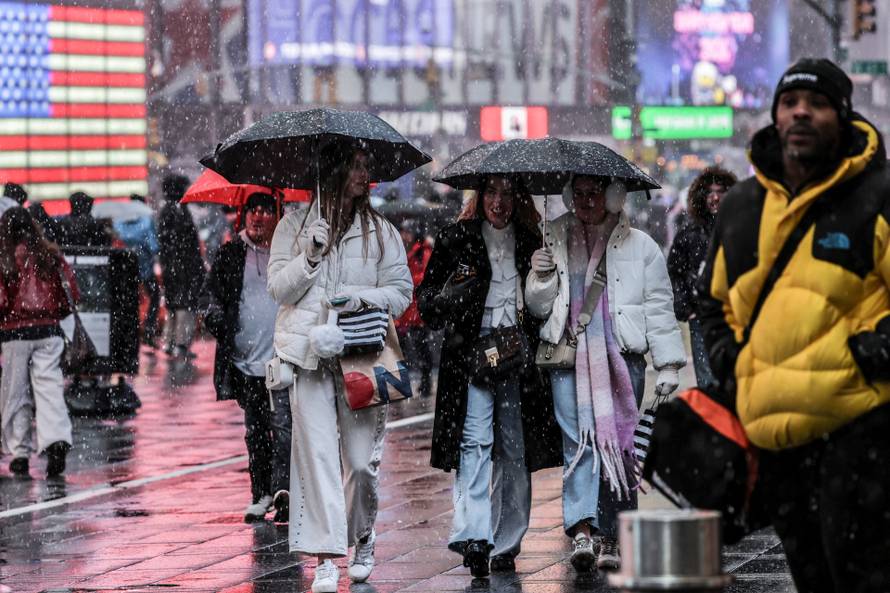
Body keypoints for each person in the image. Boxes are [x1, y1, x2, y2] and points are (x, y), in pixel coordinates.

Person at [698, 58, 890, 593]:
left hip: (859, 436)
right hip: (777, 446)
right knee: (812, 580)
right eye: (790, 102)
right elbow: (712, 303)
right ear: (776, 116)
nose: (801, 112)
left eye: (818, 102)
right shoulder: (740, 207)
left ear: (844, 114)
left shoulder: (878, 196)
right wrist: (733, 364)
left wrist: (869, 356)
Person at [267, 148, 412, 593]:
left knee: (360, 463)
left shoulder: (381, 232)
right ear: (332, 171)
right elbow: (279, 289)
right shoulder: (294, 225)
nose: (364, 175)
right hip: (307, 358)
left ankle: (362, 533)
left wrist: (357, 300)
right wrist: (310, 255)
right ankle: (328, 556)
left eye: (366, 166)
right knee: (318, 460)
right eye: (355, 165)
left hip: (363, 355)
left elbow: (401, 292)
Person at [526, 175, 686, 571]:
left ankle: (613, 535)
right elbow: (538, 307)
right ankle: (582, 531)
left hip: (623, 358)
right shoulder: (553, 235)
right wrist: (541, 275)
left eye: (593, 193)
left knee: (620, 443)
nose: (585, 201)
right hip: (568, 358)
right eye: (577, 193)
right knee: (577, 444)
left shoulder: (641, 245)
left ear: (613, 196)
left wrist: (667, 364)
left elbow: (659, 308)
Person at [416, 175, 562, 578]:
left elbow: (542, 310)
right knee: (474, 442)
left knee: (515, 449)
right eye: (491, 192)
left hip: (517, 357)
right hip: (470, 357)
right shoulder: (455, 239)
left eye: (507, 193)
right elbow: (427, 304)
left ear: (518, 199)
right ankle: (475, 536)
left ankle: (507, 542)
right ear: (479, 197)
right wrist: (452, 296)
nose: (499, 201)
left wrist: (542, 276)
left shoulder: (534, 241)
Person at [203, 192, 291, 523]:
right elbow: (211, 296)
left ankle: (284, 493)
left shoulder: (286, 252)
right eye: (252, 211)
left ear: (276, 217)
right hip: (245, 360)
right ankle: (261, 492)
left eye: (265, 212)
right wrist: (216, 320)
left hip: (281, 358)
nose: (257, 218)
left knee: (284, 430)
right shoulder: (230, 253)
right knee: (255, 430)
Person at [0, 207, 79, 477]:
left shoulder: (5, 256)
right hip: (49, 331)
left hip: (15, 333)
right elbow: (72, 292)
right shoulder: (49, 254)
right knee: (49, 389)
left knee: (15, 393)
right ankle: (56, 440)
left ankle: (19, 452)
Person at [667, 166, 736, 389]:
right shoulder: (689, 233)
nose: (715, 197)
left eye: (721, 191)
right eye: (709, 192)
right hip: (702, 315)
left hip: (735, 313)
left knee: (736, 376)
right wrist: (686, 307)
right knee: (707, 380)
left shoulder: (740, 228)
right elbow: (675, 272)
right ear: (701, 197)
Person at [157, 174, 205, 361]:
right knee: (185, 304)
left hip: (171, 266)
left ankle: (169, 341)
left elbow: (165, 242)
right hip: (184, 267)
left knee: (172, 304)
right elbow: (187, 244)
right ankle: (181, 344)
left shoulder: (166, 210)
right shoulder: (179, 210)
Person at [115, 194, 161, 350]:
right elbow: (154, 246)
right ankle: (148, 330)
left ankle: (129, 335)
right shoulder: (146, 222)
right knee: (154, 297)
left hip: (125, 270)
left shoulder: (119, 222)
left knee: (130, 302)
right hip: (145, 269)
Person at [394, 218, 434, 398]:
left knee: (421, 346)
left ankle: (426, 382)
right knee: (400, 347)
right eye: (403, 232)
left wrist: (410, 282)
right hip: (404, 307)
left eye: (407, 232)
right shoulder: (401, 249)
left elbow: (426, 276)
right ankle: (401, 384)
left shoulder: (422, 251)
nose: (404, 236)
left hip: (418, 308)